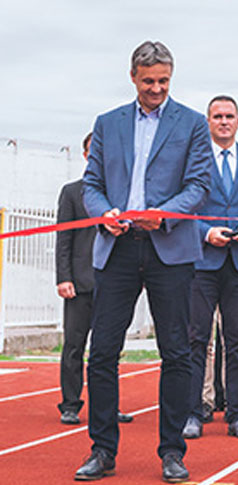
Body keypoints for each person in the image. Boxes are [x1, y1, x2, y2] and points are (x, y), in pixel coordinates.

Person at [75, 41, 211, 483]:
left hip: (169, 249)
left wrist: (164, 214)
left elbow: (199, 185)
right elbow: (92, 184)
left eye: (164, 81)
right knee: (102, 353)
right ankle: (102, 449)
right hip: (117, 247)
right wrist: (104, 214)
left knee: (176, 352)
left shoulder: (192, 123)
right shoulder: (107, 123)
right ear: (133, 76)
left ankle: (172, 451)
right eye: (149, 81)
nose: (156, 89)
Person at [183, 95, 238, 440]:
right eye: (217, 116)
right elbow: (185, 209)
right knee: (196, 339)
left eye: (229, 116)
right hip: (203, 261)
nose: (224, 121)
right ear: (208, 122)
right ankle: (192, 412)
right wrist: (206, 232)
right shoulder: (195, 161)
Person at [55, 132, 133, 426]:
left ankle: (107, 406)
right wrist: (64, 277)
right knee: (74, 346)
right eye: (94, 151)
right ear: (86, 155)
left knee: (109, 349)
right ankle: (70, 405)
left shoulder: (123, 194)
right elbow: (64, 239)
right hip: (80, 282)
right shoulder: (72, 192)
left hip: (113, 282)